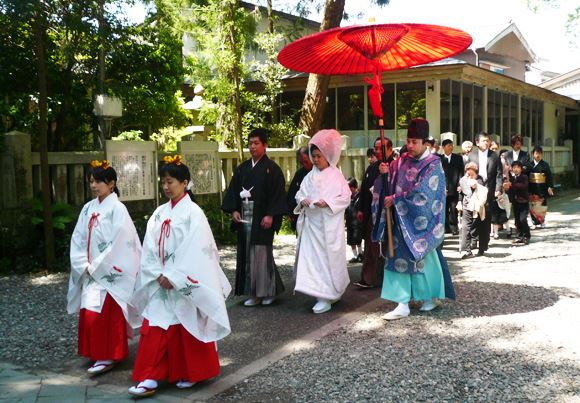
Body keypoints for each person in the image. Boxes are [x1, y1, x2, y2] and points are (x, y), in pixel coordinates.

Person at [129, 156, 231, 397]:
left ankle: (191, 372)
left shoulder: (194, 213)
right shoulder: (159, 213)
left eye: (170, 181)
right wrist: (157, 274)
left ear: (185, 183)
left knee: (186, 324)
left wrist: (174, 275)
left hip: (183, 281)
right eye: (163, 182)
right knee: (156, 325)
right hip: (160, 279)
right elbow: (150, 247)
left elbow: (199, 249)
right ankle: (150, 376)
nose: (166, 187)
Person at [68, 160, 142, 376]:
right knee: (91, 311)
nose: (94, 185)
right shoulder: (87, 208)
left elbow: (122, 240)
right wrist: (83, 263)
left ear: (111, 184)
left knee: (107, 312)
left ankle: (109, 354)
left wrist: (99, 265)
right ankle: (95, 351)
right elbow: (78, 238)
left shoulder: (118, 209)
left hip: (108, 270)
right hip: (89, 268)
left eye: (99, 181)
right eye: (92, 181)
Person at [377, 118, 455, 320]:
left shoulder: (433, 164)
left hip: (423, 222)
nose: (410, 146)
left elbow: (425, 194)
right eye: (408, 141)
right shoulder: (401, 161)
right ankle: (401, 302)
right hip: (401, 222)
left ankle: (431, 296)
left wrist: (396, 199)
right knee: (398, 259)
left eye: (415, 142)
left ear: (425, 143)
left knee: (425, 259)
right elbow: (390, 180)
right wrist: (385, 173)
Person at [221, 128, 287, 306]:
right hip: (245, 215)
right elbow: (233, 191)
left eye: (256, 143)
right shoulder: (242, 169)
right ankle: (255, 293)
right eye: (250, 143)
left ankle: (268, 291)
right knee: (247, 254)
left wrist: (271, 215)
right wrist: (234, 210)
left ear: (265, 145)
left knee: (261, 253)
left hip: (262, 217)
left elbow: (277, 194)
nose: (252, 147)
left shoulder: (272, 169)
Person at [293, 129, 352, 314]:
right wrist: (302, 201)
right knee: (313, 261)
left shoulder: (336, 176)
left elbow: (346, 197)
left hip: (329, 226)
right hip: (312, 226)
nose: (316, 159)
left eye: (319, 156)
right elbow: (300, 193)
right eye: (314, 156)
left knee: (329, 260)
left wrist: (328, 203)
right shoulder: (309, 176)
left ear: (328, 155)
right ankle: (321, 295)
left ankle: (331, 293)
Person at [355, 136, 394, 288]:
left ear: (389, 149)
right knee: (371, 245)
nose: (377, 151)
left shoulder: (395, 166)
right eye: (376, 148)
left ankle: (386, 278)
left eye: (381, 148)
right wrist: (360, 209)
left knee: (387, 245)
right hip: (371, 212)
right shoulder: (372, 167)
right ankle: (368, 278)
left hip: (388, 212)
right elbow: (364, 189)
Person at [467, 132, 503, 256]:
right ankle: (473, 240)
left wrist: (498, 189)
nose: (486, 143)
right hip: (475, 189)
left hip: (489, 189)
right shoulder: (471, 156)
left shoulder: (494, 156)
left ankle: (483, 245)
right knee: (474, 217)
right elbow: (467, 174)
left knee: (486, 218)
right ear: (477, 142)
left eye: (488, 141)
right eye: (484, 141)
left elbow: (499, 174)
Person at [458, 162, 486, 259]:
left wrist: (475, 184)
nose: (468, 172)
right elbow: (462, 192)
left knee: (474, 228)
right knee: (466, 227)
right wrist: (459, 202)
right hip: (468, 206)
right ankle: (466, 250)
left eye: (470, 170)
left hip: (477, 207)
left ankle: (474, 245)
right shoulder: (463, 180)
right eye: (467, 170)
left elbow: (480, 189)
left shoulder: (479, 179)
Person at [503, 160, 531, 245]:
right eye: (514, 167)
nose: (516, 169)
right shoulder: (511, 178)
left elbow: (524, 186)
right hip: (515, 202)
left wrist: (512, 184)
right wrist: (507, 187)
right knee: (517, 220)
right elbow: (510, 188)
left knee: (523, 219)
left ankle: (527, 236)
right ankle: (519, 236)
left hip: (524, 202)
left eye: (518, 167)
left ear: (521, 169)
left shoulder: (524, 177)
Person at [440, 139, 464, 235]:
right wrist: (442, 187)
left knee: (453, 208)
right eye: (448, 145)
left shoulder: (458, 158)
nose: (451, 147)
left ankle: (454, 227)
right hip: (443, 189)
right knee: (444, 209)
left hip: (454, 187)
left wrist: (460, 184)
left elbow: (461, 172)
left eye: (451, 145)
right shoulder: (439, 159)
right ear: (443, 147)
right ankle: (446, 228)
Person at [287, 147, 313, 233]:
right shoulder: (299, 174)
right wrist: (290, 212)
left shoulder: (320, 172)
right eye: (302, 163)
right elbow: (292, 193)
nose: (304, 165)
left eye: (306, 161)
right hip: (301, 213)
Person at [528, 146, 554, 229]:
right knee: (533, 205)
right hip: (532, 187)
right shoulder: (530, 165)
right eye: (536, 153)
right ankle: (534, 222)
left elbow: (549, 177)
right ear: (533, 154)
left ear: (541, 154)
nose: (538, 155)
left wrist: (550, 187)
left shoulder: (545, 165)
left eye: (539, 153)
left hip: (542, 187)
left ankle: (542, 221)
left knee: (542, 205)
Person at [345, 178, 363, 263]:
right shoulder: (347, 197)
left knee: (358, 239)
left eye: (350, 188)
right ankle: (355, 255)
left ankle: (360, 254)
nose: (349, 190)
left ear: (354, 187)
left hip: (357, 221)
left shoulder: (359, 196)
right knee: (351, 240)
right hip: (349, 221)